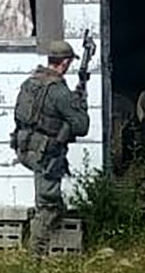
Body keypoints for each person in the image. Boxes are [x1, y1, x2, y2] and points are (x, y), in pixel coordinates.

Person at [11, 39, 90, 257]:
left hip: (27, 147)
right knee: (48, 207)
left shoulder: (31, 83)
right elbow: (82, 126)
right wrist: (80, 103)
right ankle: (35, 257)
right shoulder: (59, 91)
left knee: (50, 201)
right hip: (47, 153)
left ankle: (56, 244)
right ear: (64, 63)